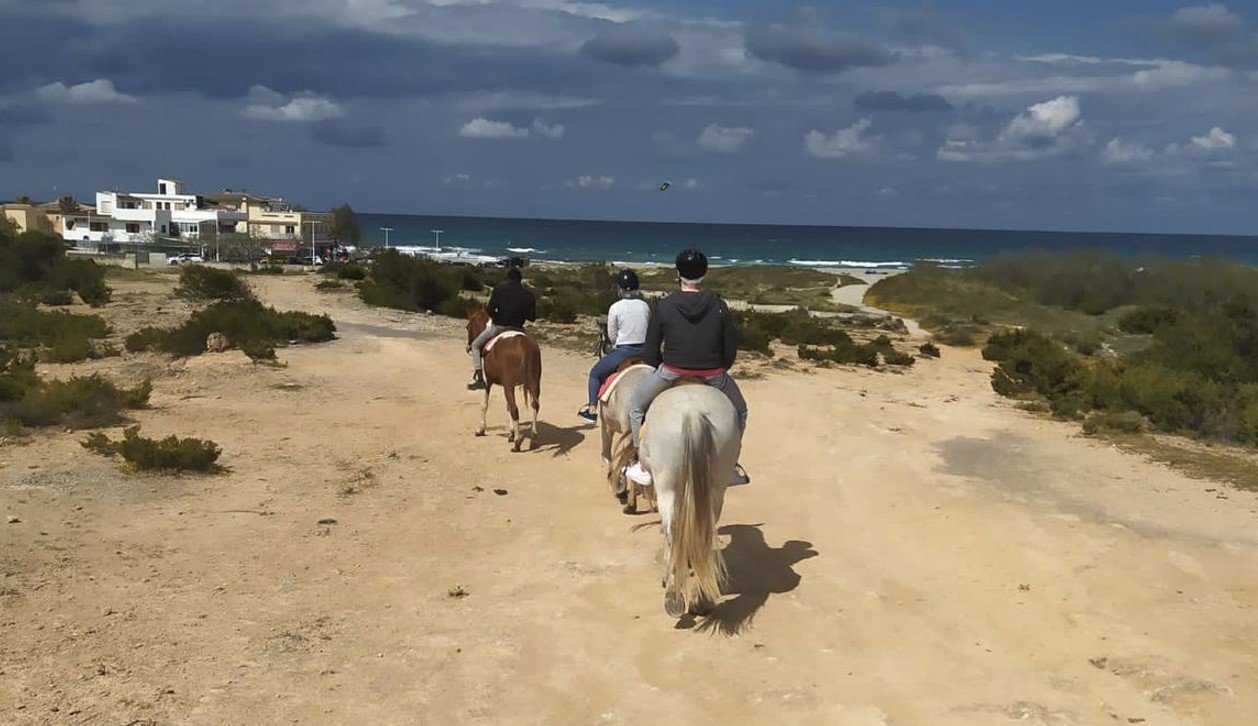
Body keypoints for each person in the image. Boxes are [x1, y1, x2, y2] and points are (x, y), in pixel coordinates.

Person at [625, 249, 750, 486]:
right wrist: (719, 368)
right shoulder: (719, 305)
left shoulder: (665, 305)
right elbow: (730, 350)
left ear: (678, 273)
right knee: (741, 411)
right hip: (713, 374)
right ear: (705, 273)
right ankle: (731, 464)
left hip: (672, 371)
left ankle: (641, 464)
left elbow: (650, 349)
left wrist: (661, 366)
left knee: (636, 406)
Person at [578, 269, 651, 422]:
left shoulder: (615, 307)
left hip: (624, 352)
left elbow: (611, 335)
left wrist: (616, 344)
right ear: (637, 288)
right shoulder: (645, 306)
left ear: (620, 289)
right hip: (645, 351)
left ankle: (592, 410)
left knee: (595, 374)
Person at [468, 266, 536, 390]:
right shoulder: (529, 295)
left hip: (500, 327)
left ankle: (479, 379)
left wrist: (498, 316)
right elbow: (532, 318)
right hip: (519, 329)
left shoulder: (499, 289)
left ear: (508, 278)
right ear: (520, 280)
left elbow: (489, 310)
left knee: (475, 345)